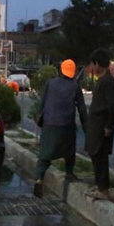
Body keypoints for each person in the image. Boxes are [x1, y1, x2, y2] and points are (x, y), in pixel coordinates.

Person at [33, 59, 87, 198]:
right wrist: (87, 129)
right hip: (66, 125)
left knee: (44, 155)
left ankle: (39, 178)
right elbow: (82, 110)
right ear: (73, 72)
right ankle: (69, 172)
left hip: (50, 124)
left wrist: (40, 121)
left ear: (60, 70)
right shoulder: (75, 87)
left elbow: (43, 104)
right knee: (69, 151)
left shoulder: (50, 83)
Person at [84, 49, 114, 201]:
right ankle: (101, 187)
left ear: (97, 64)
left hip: (101, 126)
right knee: (95, 155)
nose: (92, 67)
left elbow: (113, 105)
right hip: (96, 125)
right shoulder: (103, 80)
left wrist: (108, 126)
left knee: (100, 157)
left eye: (93, 64)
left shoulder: (107, 82)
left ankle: (103, 190)